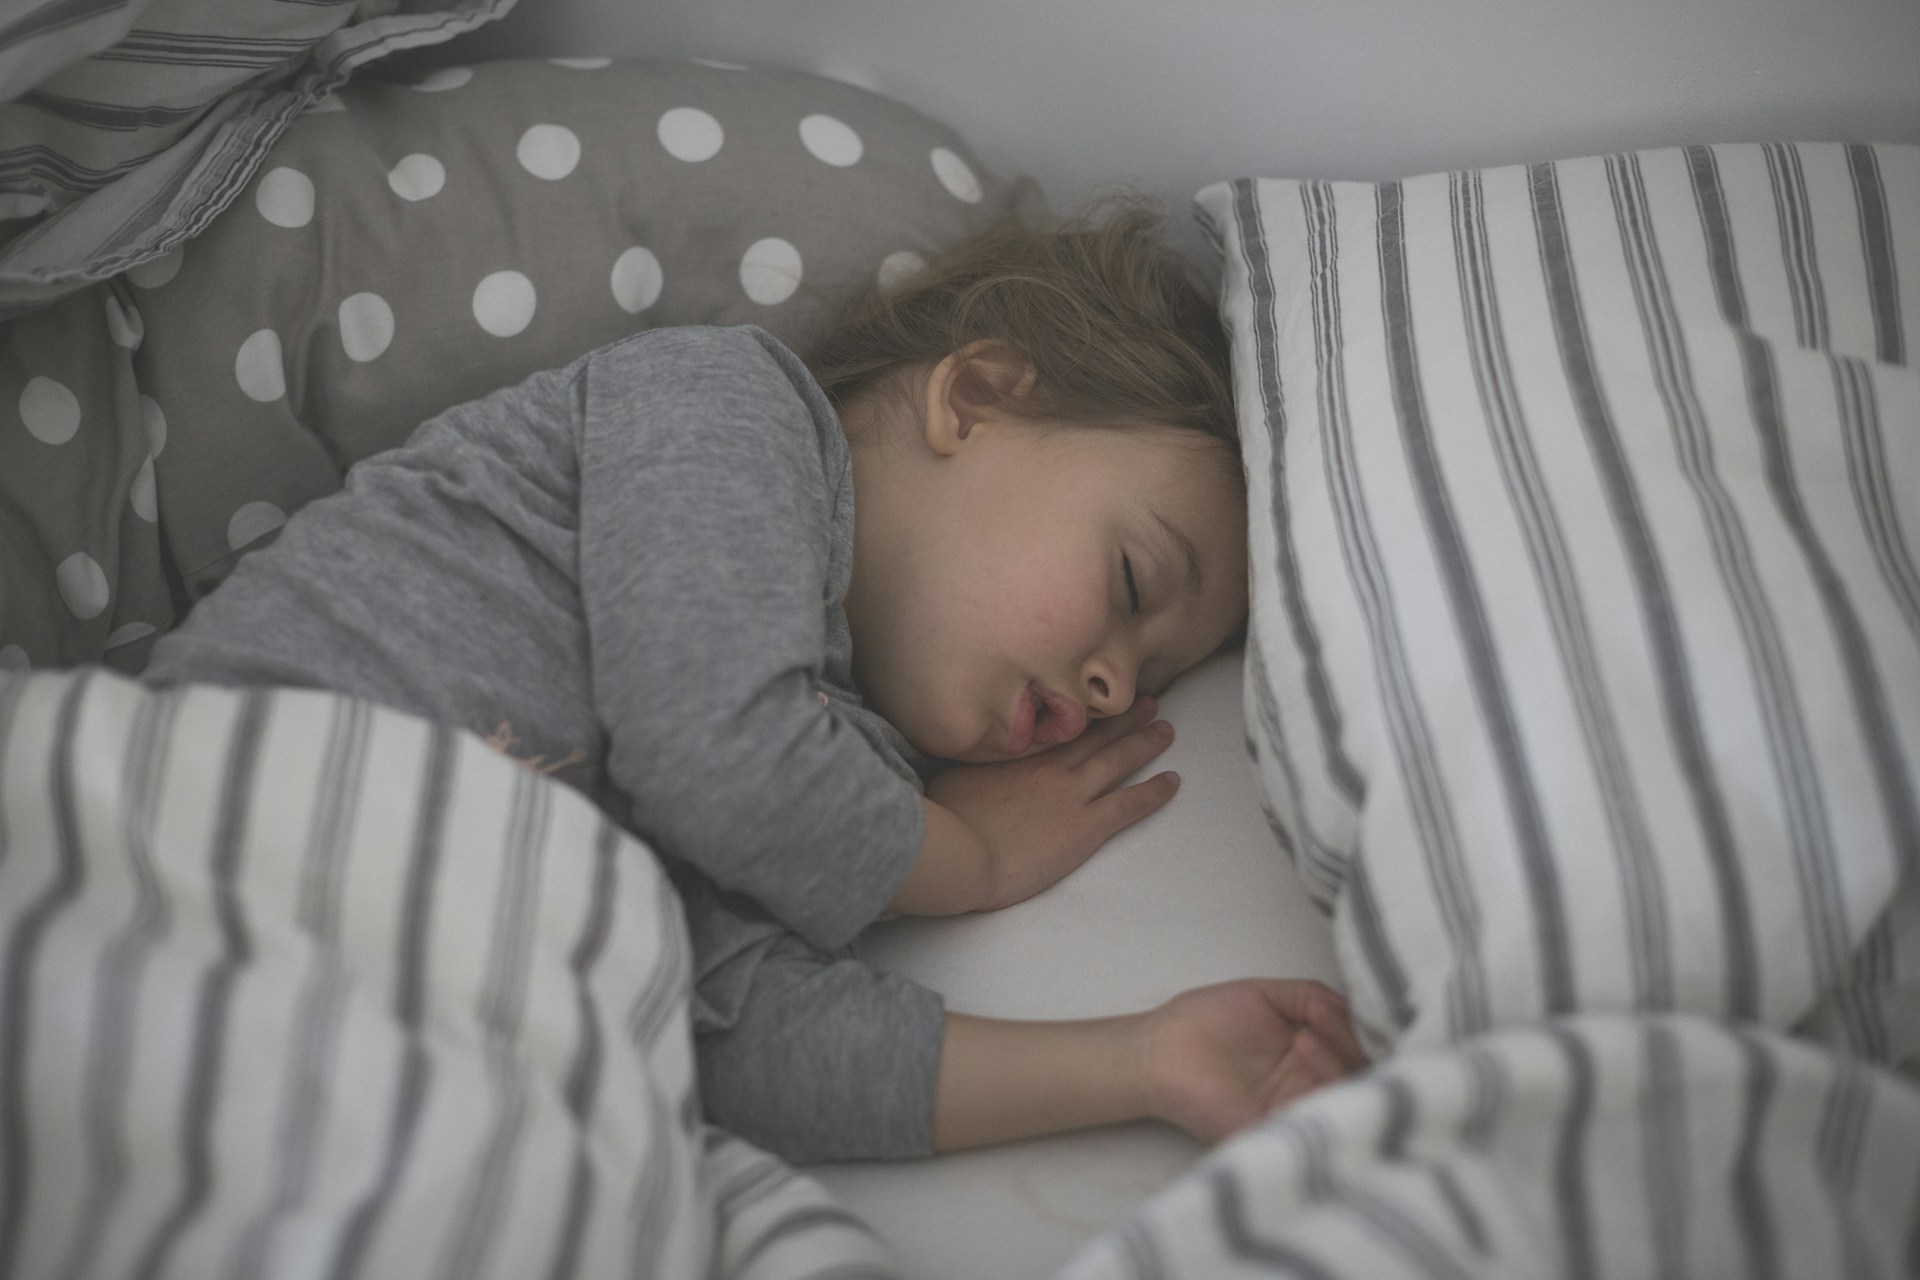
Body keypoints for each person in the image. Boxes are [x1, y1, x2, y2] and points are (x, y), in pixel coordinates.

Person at [140, 198, 1365, 1163]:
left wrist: (1140, 1060)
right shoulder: (727, 405)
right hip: (194, 827)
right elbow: (715, 752)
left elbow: (723, 1038)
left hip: (350, 1013)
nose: (1113, 687)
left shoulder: (861, 762)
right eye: (1134, 584)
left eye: (1156, 673)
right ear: (977, 398)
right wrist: (963, 861)